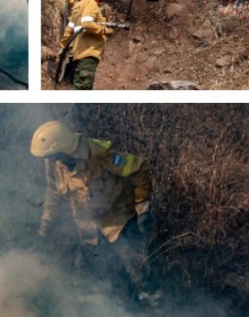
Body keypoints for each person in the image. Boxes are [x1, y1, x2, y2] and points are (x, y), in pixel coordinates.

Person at [30, 120, 162, 307]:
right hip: (88, 229)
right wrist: (44, 228)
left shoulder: (98, 152)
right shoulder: (53, 165)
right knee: (99, 282)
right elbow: (53, 194)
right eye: (49, 156)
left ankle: (157, 309)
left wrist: (143, 207)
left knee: (139, 272)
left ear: (63, 148)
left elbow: (139, 167)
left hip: (119, 221)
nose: (51, 160)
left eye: (53, 155)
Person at [59, 0, 112, 90]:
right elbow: (86, 23)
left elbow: (69, 29)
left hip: (78, 54)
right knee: (82, 88)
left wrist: (63, 48)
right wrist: (104, 30)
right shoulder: (91, 4)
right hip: (88, 53)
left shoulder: (79, 5)